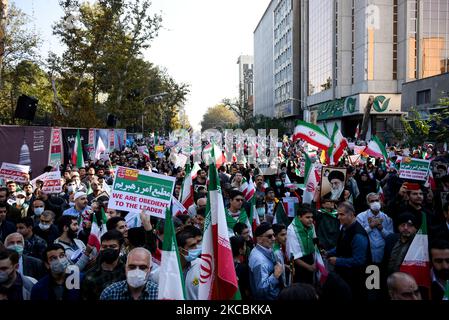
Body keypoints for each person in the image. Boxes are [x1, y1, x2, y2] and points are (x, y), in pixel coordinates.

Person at [325, 202, 371, 299]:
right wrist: (329, 253)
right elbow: (342, 246)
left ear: (351, 215)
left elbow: (359, 260)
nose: (338, 217)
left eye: (342, 214)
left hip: (355, 280)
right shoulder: (345, 227)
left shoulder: (358, 235)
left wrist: (337, 261)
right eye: (338, 214)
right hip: (344, 276)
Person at [81, 230, 126, 300]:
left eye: (112, 246)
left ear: (121, 247)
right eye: (104, 247)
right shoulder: (90, 276)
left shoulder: (127, 271)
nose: (108, 249)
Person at [248, 222, 283, 300]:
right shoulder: (259, 261)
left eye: (273, 235)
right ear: (259, 239)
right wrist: (275, 276)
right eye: (269, 236)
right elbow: (260, 291)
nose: (274, 239)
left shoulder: (266, 248)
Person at [356, 193, 393, 264]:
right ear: (368, 203)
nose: (375, 203)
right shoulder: (360, 217)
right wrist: (370, 227)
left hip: (382, 254)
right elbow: (358, 235)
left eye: (377, 200)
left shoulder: (387, 218)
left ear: (380, 201)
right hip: (366, 254)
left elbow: (390, 238)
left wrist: (382, 229)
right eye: (372, 201)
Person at [286, 205, 316, 284]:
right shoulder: (291, 230)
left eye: (311, 217)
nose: (311, 220)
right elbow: (293, 256)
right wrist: (309, 267)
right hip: (300, 265)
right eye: (307, 217)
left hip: (310, 260)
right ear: (299, 217)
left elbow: (314, 241)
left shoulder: (311, 225)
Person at [176, 226, 202, 300]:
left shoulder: (202, 264)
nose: (196, 248)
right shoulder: (170, 269)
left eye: (196, 244)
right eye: (192, 246)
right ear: (180, 250)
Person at [230, 235, 251, 300]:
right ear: (240, 250)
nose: (246, 248)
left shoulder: (226, 266)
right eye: (244, 246)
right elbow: (247, 291)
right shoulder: (243, 268)